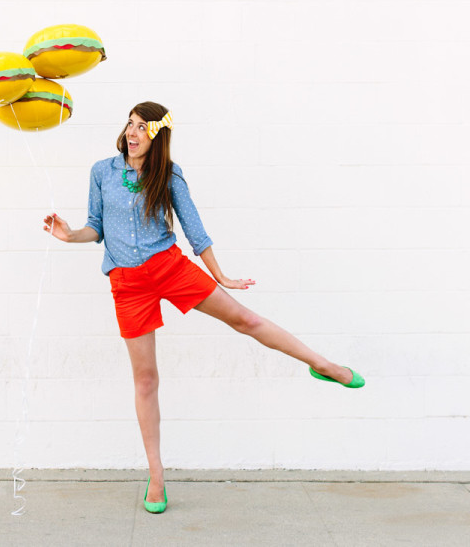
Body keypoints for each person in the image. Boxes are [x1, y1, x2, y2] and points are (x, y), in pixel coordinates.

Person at [43, 101, 364, 514]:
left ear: (157, 136)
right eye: (129, 124)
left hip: (169, 266)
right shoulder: (102, 172)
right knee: (145, 380)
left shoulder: (169, 175)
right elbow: (96, 227)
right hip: (127, 283)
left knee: (245, 320)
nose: (133, 133)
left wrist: (221, 275)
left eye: (142, 127)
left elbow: (195, 230)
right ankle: (156, 476)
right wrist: (71, 236)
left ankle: (325, 365)